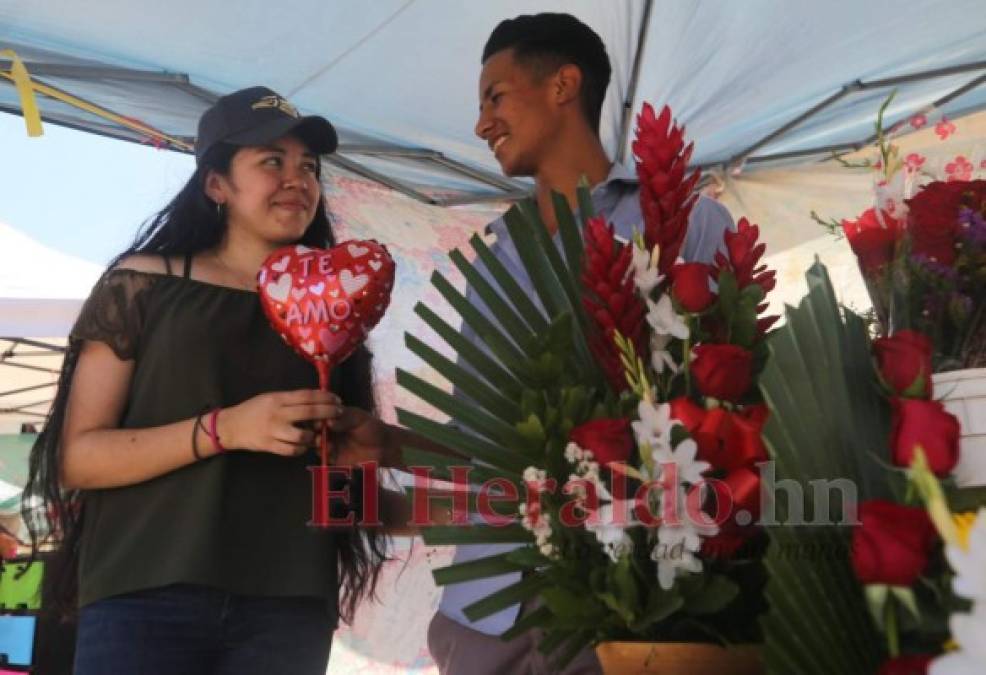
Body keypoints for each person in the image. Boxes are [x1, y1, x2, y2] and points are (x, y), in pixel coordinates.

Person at [22, 86, 396, 675]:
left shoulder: (336, 309)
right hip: (143, 595)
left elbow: (338, 496)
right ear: (216, 184)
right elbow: (78, 457)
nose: (296, 178)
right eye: (272, 161)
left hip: (289, 607)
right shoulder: (143, 283)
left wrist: (494, 505)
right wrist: (225, 429)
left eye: (309, 166)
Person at [426, 13, 736, 675]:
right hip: (488, 607)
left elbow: (731, 405)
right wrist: (384, 445)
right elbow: (471, 430)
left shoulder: (687, 221)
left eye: (495, 97)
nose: (482, 123)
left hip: (630, 598)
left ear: (563, 84)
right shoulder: (493, 259)